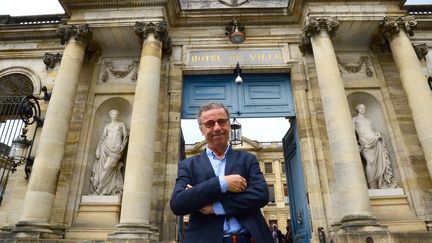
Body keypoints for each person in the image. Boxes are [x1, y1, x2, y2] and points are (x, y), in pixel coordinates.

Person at [170, 102, 273, 243]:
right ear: (201, 130)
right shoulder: (188, 165)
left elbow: (261, 194)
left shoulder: (248, 159)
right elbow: (178, 203)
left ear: (229, 125)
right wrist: (222, 183)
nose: (217, 128)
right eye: (210, 124)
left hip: (248, 238)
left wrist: (215, 207)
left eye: (221, 122)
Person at [352, 104, 398, 189]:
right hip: (364, 141)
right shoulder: (354, 119)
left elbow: (372, 130)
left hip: (374, 139)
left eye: (363, 108)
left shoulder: (368, 120)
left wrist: (378, 134)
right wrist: (356, 144)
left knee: (378, 162)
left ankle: (380, 183)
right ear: (357, 109)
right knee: (370, 161)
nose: (362, 109)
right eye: (360, 108)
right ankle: (371, 185)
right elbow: (352, 132)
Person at [90, 109, 129, 195]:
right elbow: (103, 138)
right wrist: (98, 149)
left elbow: (126, 136)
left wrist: (122, 146)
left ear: (117, 115)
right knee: (104, 168)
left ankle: (99, 189)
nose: (114, 115)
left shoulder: (121, 124)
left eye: (116, 114)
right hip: (105, 147)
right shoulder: (107, 126)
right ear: (110, 115)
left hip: (117, 149)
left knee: (108, 166)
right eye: (113, 114)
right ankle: (106, 188)